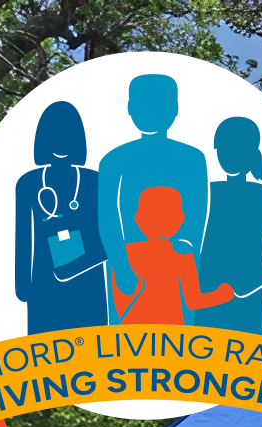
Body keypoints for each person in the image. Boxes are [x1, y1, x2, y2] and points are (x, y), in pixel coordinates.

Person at [98, 73, 209, 316]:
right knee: (125, 342)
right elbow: (107, 216)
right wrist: (121, 265)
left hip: (178, 259)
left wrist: (186, 250)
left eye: (160, 103)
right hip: (129, 260)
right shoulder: (114, 159)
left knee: (178, 338)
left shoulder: (192, 158)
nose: (150, 111)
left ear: (174, 109)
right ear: (129, 107)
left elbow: (198, 211)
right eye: (141, 103)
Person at [14, 100, 108, 334]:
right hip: (44, 282)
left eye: (68, 136)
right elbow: (23, 238)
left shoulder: (94, 180)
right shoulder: (28, 183)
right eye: (54, 136)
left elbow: (110, 237)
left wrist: (74, 266)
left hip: (88, 281)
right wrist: (22, 286)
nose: (61, 144)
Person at [198, 116, 262, 335]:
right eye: (223, 148)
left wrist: (245, 285)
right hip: (203, 296)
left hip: (244, 303)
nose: (228, 155)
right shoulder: (206, 191)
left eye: (236, 148)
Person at [115, 186, 234, 325]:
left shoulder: (123, 252)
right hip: (171, 329)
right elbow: (193, 302)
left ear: (138, 218)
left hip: (130, 330)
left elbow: (119, 297)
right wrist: (223, 294)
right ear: (181, 218)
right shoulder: (181, 253)